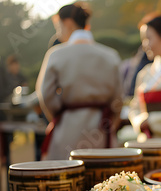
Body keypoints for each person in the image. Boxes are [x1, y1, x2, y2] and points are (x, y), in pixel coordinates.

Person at [36, 2, 123, 160]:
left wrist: (60, 115)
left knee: (67, 177)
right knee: (102, 180)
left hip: (67, 129)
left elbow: (45, 95)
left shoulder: (56, 55)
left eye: (58, 27)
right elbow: (118, 99)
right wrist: (111, 121)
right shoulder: (111, 55)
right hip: (101, 130)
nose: (58, 32)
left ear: (67, 23)